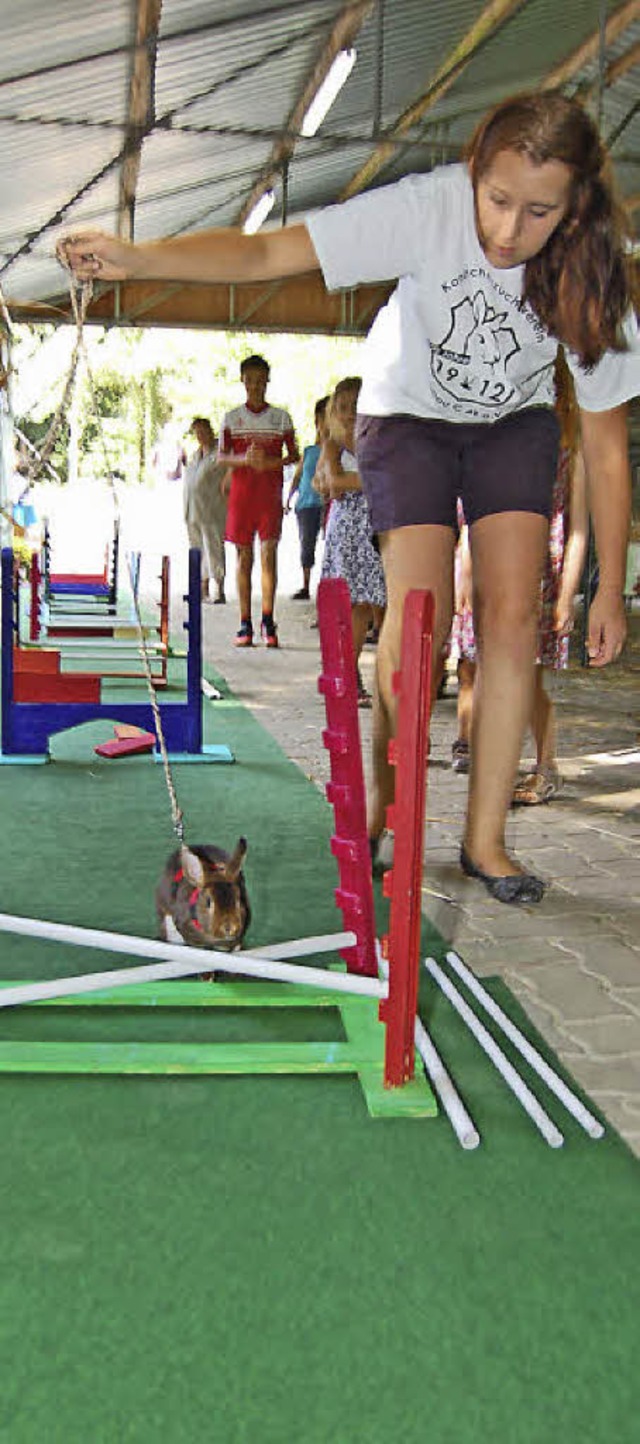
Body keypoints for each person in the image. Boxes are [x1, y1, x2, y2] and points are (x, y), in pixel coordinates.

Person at [58, 90, 639, 903]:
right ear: (474, 173)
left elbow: (608, 452)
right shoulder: (428, 205)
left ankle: (486, 841)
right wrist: (139, 257)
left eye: (537, 212)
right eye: (497, 201)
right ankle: (386, 808)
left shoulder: (592, 275)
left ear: (575, 207)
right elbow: (269, 256)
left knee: (512, 621)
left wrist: (609, 585)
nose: (508, 232)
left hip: (514, 425)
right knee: (420, 616)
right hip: (406, 419)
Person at [450, 357, 589, 799]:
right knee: (486, 669)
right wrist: (465, 568)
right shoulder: (489, 437)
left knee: (527, 675)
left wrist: (567, 594)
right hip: (489, 566)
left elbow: (578, 527)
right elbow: (470, 513)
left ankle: (546, 766)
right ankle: (496, 760)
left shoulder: (572, 450)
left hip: (539, 574)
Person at [217, 354, 299, 648]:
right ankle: (244, 622)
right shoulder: (231, 417)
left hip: (269, 496)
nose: (254, 386)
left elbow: (294, 455)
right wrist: (243, 459)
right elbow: (221, 456)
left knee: (268, 555)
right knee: (243, 558)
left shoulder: (281, 418)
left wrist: (270, 463)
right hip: (241, 497)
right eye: (249, 380)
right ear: (242, 381)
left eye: (260, 380)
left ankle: (267, 618)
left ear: (268, 380)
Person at [315, 378, 386, 707]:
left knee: (385, 606)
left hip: (381, 524)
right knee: (355, 606)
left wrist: (365, 481)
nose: (348, 415)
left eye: (355, 407)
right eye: (341, 408)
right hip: (349, 529)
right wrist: (373, 481)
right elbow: (335, 486)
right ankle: (349, 674)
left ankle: (387, 679)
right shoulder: (332, 445)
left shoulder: (379, 440)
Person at [285, 395, 328, 600]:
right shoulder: (309, 451)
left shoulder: (338, 451)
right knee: (307, 544)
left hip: (327, 503)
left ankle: (330, 586)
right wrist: (288, 499)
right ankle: (305, 585)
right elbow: (297, 477)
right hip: (306, 504)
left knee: (331, 545)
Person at [183, 417, 228, 603]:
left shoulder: (221, 453)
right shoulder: (195, 455)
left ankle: (220, 589)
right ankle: (203, 589)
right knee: (197, 548)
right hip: (192, 510)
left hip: (212, 510)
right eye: (197, 432)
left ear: (211, 430)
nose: (200, 435)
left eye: (203, 431)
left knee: (214, 548)